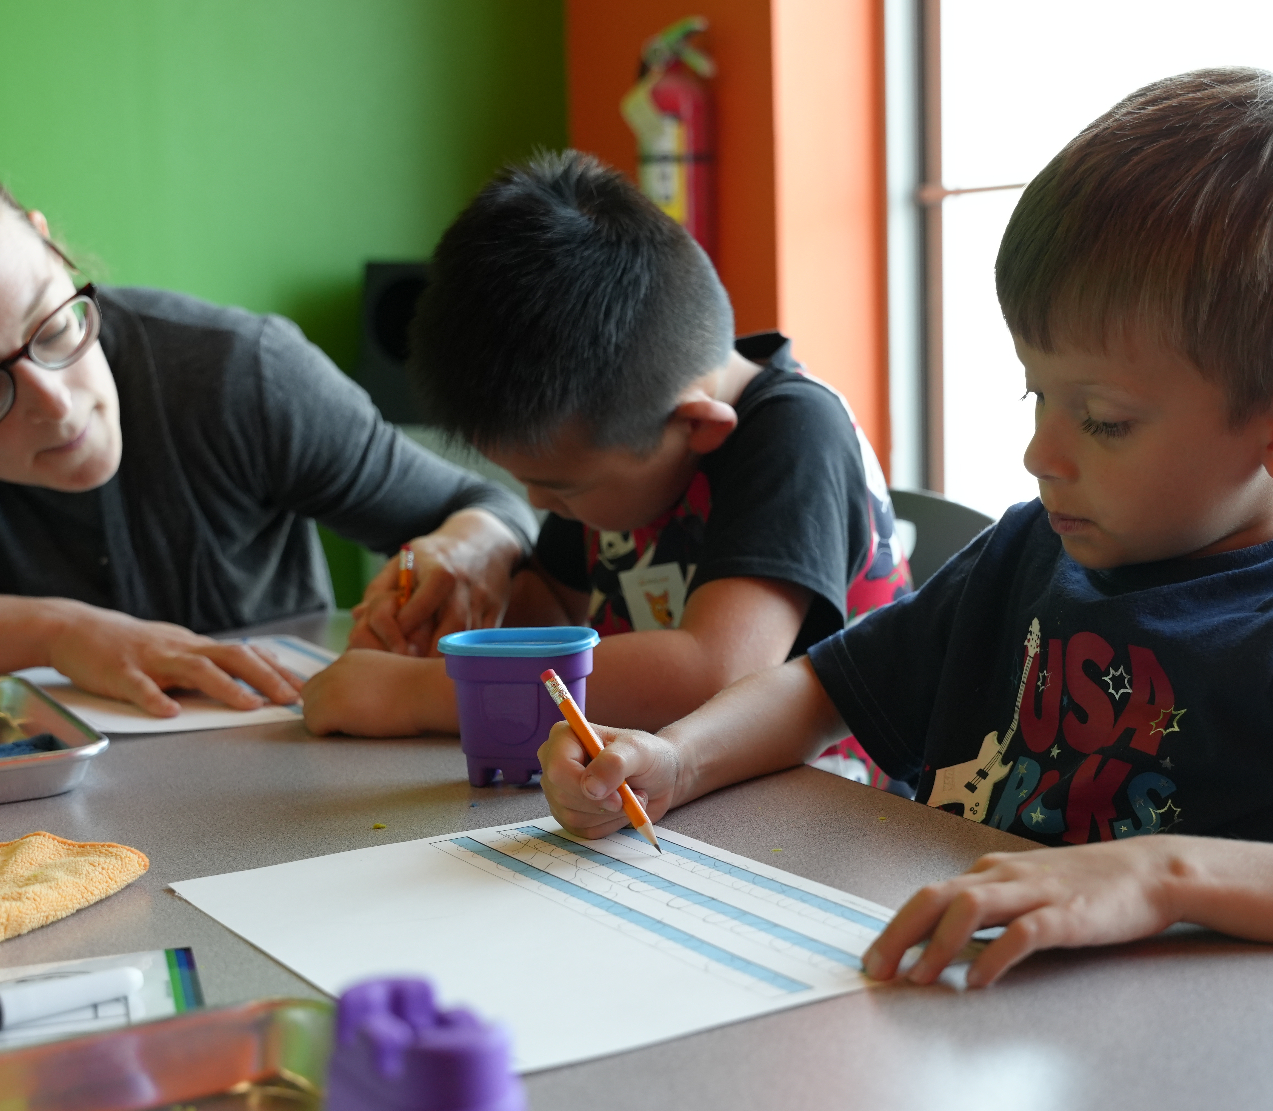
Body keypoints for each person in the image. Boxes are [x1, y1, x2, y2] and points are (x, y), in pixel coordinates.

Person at [536, 69, 1273, 1009]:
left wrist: (1163, 875)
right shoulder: (1034, 553)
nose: (1042, 454)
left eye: (1103, 419)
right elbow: (825, 686)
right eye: (1035, 394)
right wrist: (674, 758)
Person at [0, 111, 537, 714]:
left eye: (52, 321)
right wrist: (54, 633)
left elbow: (489, 507)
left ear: (46, 245)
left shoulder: (237, 371)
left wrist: (465, 549)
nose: (58, 403)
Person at [301, 151, 909, 783]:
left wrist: (416, 694)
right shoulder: (606, 452)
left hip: (825, 810)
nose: (536, 504)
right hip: (663, 788)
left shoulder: (795, 432)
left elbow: (715, 673)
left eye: (558, 489)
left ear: (697, 427)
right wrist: (447, 637)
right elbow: (548, 613)